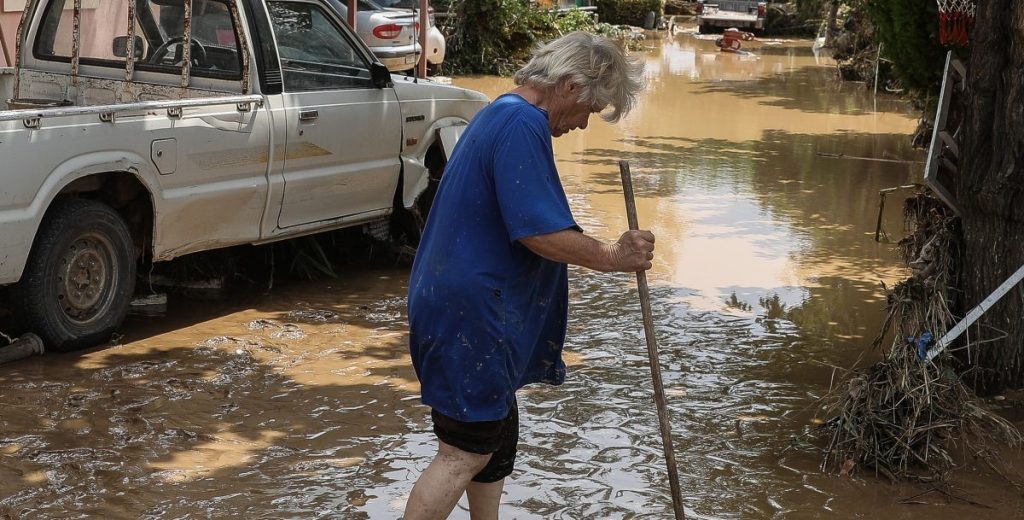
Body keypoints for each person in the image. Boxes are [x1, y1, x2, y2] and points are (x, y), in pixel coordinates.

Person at [404, 31, 652, 520]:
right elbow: (539, 232)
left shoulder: (504, 113)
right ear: (569, 85)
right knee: (465, 451)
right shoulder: (521, 122)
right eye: (590, 107)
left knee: (493, 445)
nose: (583, 123)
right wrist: (613, 255)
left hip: (470, 308)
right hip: (473, 315)